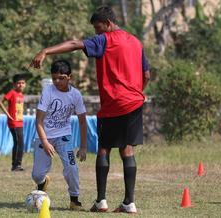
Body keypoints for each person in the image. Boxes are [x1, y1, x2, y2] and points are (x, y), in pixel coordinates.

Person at [30, 6, 150, 214]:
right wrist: (135, 92)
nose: (96, 33)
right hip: (134, 102)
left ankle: (101, 201)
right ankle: (129, 203)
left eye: (98, 28)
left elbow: (76, 44)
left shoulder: (106, 39)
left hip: (114, 104)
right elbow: (146, 75)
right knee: (127, 150)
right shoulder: (136, 42)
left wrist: (46, 50)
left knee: (104, 149)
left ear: (109, 24)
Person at [31, 60, 87, 211]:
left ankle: (74, 200)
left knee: (71, 167)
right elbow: (39, 121)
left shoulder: (75, 95)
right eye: (54, 78)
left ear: (70, 77)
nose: (57, 81)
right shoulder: (48, 92)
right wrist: (45, 142)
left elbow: (82, 122)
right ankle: (42, 183)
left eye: (61, 78)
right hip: (44, 136)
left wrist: (83, 147)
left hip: (64, 137)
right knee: (36, 175)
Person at [0, 74, 26, 171]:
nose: (21, 85)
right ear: (14, 84)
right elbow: (0, 101)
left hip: (20, 122)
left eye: (22, 83)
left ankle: (17, 164)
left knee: (19, 143)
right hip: (14, 123)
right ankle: (16, 165)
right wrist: (7, 114)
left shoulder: (21, 95)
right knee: (19, 143)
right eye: (18, 83)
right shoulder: (12, 93)